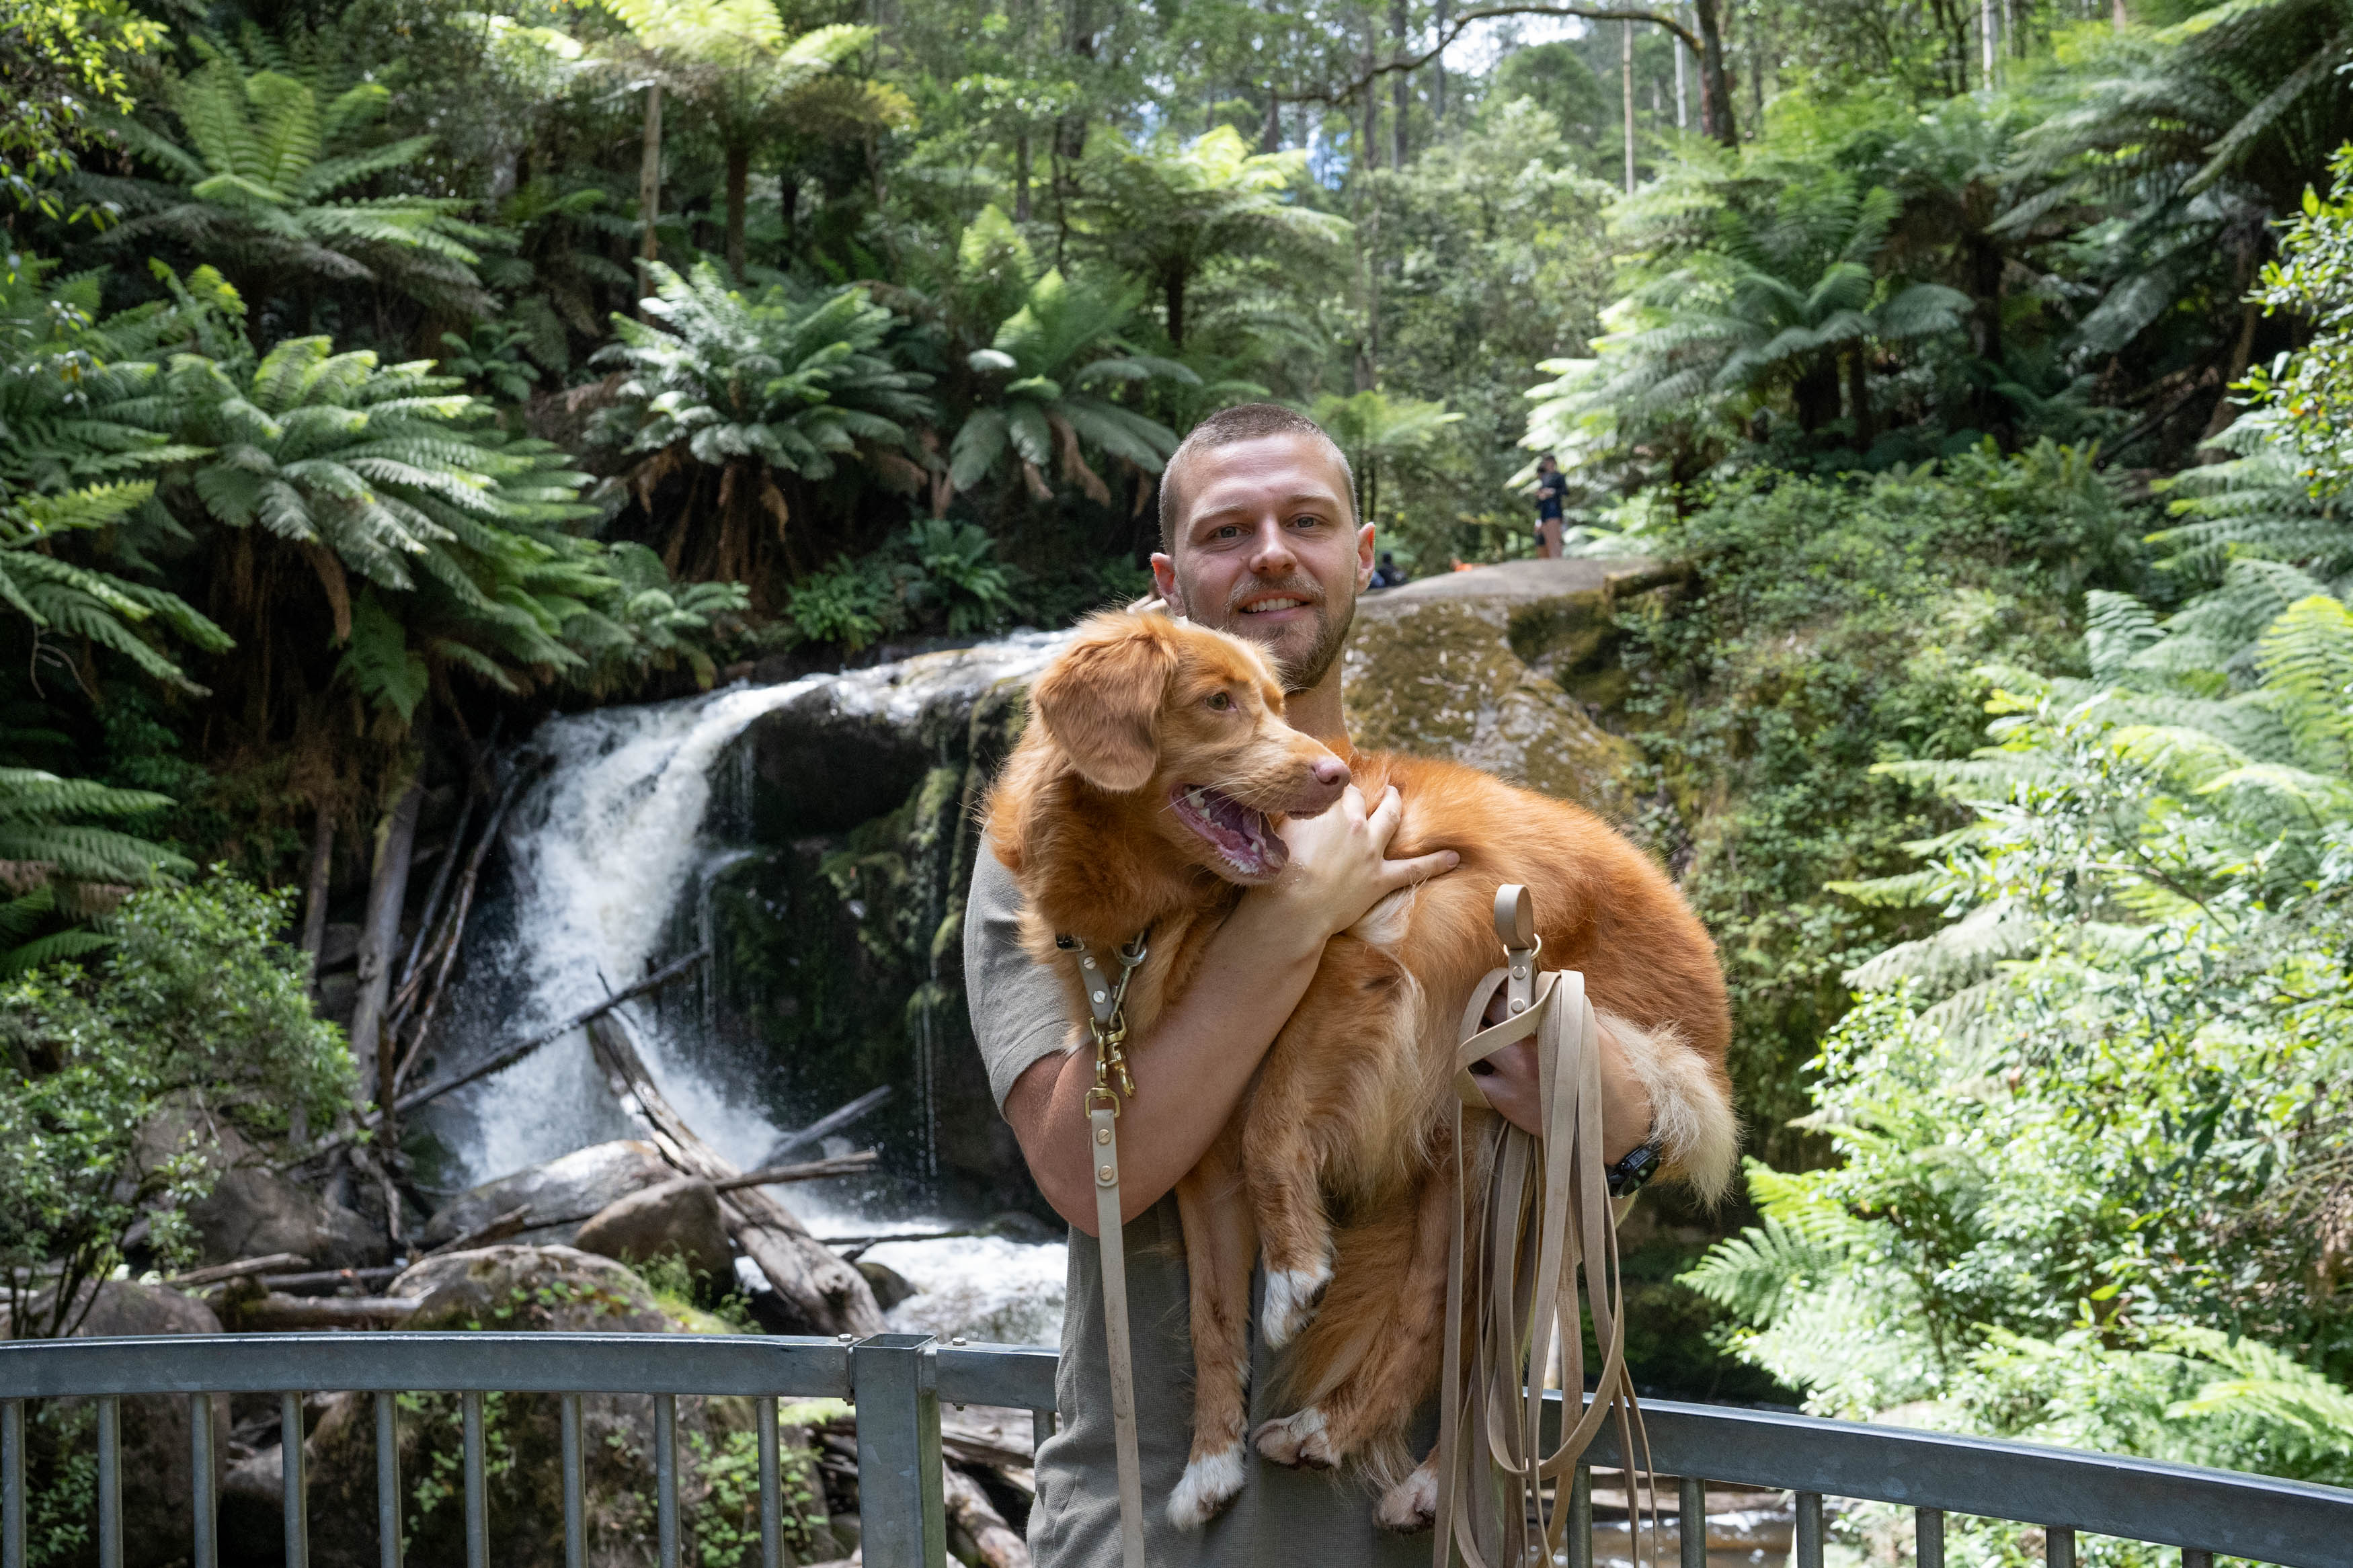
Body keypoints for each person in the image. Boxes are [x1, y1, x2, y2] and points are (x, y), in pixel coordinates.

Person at [963, 404, 1669, 1566]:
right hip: (1157, 1537)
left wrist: (1621, 1109)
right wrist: (1291, 922)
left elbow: (1613, 1168)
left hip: (1444, 1531)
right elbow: (1090, 1172)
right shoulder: (1056, 854)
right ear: (1169, 578)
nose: (1272, 554)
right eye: (1226, 531)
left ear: (1363, 554)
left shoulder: (1456, 841)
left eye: (1307, 521)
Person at [1532, 453, 1566, 559]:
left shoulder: (1559, 476)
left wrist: (1552, 492)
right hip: (1544, 509)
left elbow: (1565, 491)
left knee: (1555, 534)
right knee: (1548, 535)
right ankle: (1552, 558)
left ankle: (1558, 557)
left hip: (1554, 509)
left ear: (1554, 463)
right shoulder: (1544, 478)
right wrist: (1540, 494)